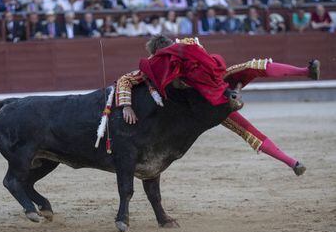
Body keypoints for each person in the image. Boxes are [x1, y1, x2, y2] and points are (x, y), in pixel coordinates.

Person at [115, 35, 320, 176]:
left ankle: (292, 162)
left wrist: (126, 106)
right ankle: (304, 71)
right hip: (218, 88)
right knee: (253, 67)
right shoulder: (187, 45)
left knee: (248, 131)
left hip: (207, 105)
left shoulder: (155, 65)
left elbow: (125, 79)